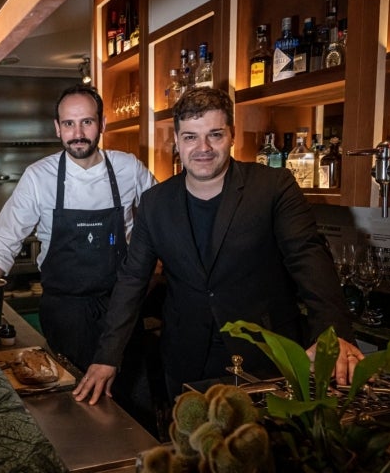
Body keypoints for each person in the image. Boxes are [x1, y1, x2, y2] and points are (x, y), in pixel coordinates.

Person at [93, 87, 362, 404]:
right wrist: (108, 355)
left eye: (215, 135)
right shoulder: (155, 202)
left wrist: (334, 335)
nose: (203, 148)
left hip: (267, 359)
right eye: (191, 137)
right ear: (177, 142)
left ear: (232, 135)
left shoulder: (272, 186)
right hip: (185, 360)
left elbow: (309, 258)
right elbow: (132, 279)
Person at [0, 84, 157, 416]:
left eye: (87, 122)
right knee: (72, 407)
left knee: (135, 405)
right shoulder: (39, 177)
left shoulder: (128, 169)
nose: (78, 133)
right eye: (69, 124)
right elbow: (3, 243)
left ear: (102, 124)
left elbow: (160, 223)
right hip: (65, 312)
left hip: (121, 310)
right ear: (57, 128)